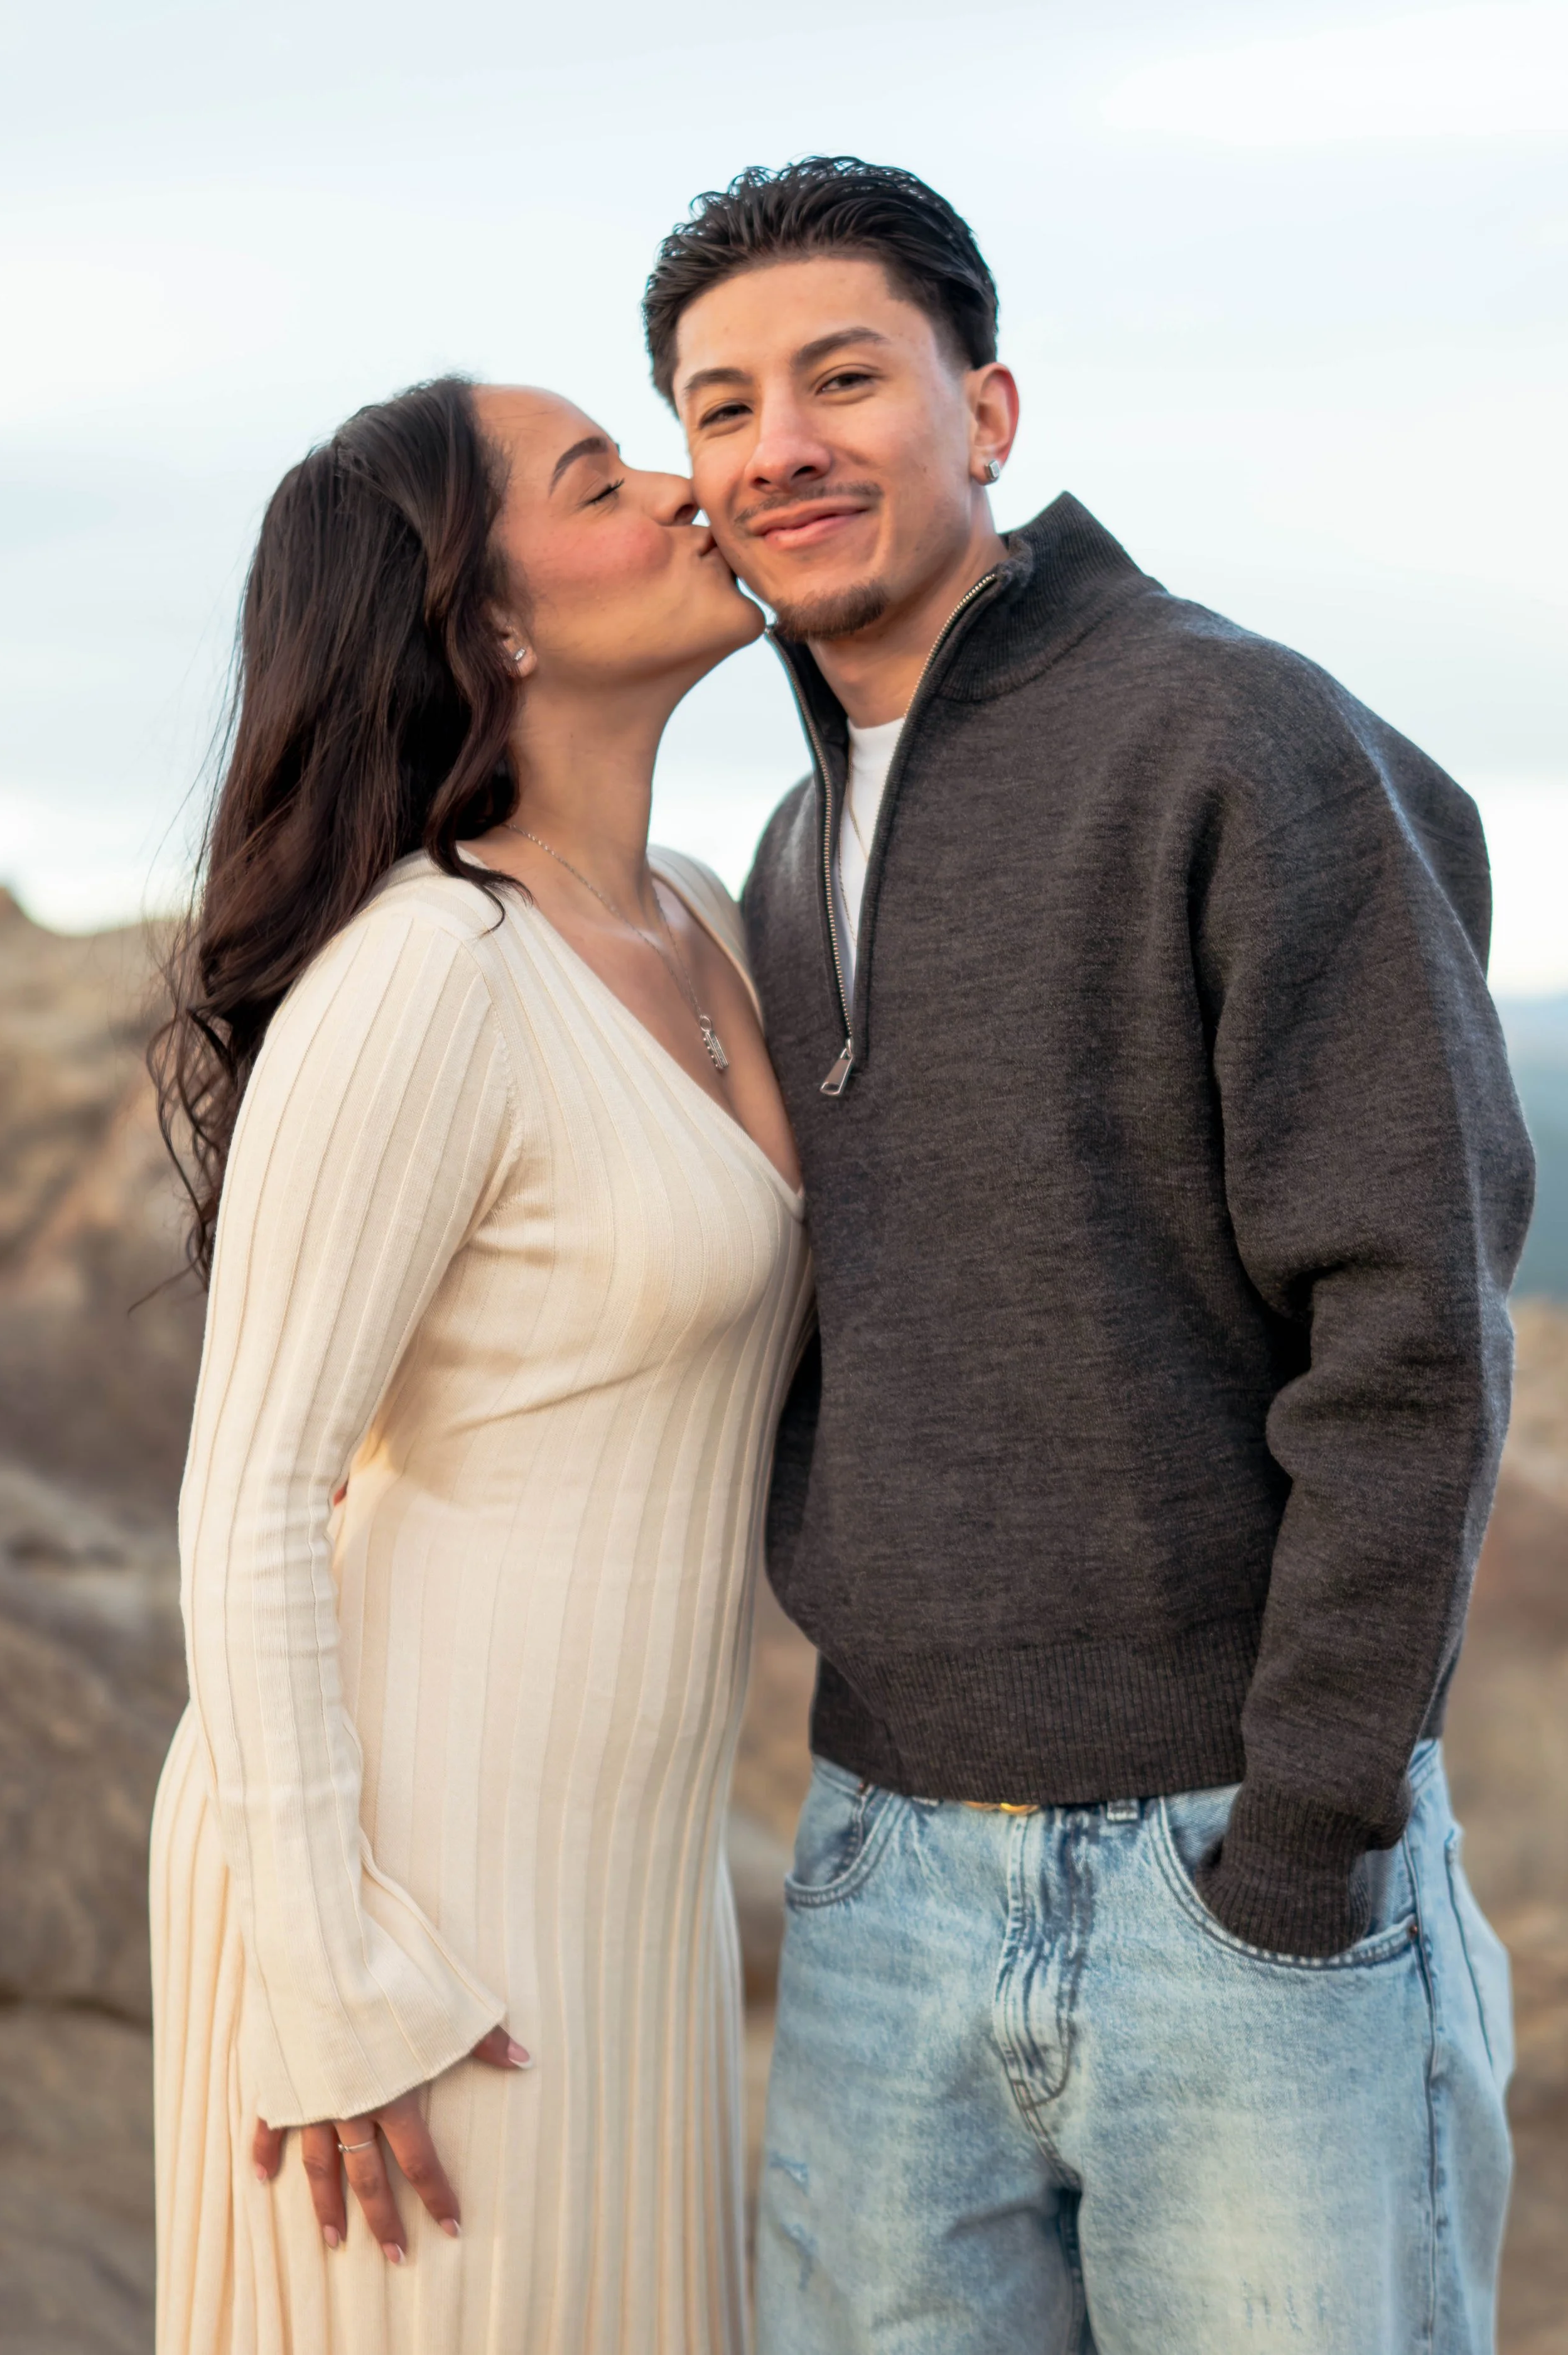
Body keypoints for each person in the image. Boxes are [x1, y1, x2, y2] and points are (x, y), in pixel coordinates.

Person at [644, 158, 1536, 2354]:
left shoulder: (1231, 733)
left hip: (1236, 1878)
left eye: (845, 378)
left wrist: (1301, 1843)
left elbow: (1409, 1323)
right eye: (722, 406)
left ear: (988, 409)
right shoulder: (787, 843)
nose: (780, 445)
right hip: (878, 1867)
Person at [148, 374, 810, 2355]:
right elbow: (252, 1489)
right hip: (408, 1883)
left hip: (631, 1877)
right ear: (491, 621)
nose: (691, 489)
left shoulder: (701, 919)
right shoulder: (427, 969)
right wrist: (331, 1971)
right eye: (605, 480)